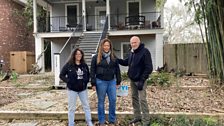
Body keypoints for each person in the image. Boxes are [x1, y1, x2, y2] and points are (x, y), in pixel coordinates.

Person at [118, 36, 153, 126]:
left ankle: (146, 121)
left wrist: (142, 80)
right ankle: (137, 117)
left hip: (141, 80)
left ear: (139, 42)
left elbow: (149, 68)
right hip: (132, 80)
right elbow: (127, 62)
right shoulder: (132, 52)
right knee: (134, 99)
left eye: (135, 42)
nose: (133, 44)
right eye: (132, 43)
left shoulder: (145, 52)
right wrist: (117, 60)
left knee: (142, 100)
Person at [90, 38, 121, 126]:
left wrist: (118, 81)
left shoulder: (113, 57)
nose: (106, 47)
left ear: (110, 46)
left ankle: (112, 119)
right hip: (100, 82)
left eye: (108, 45)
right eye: (105, 45)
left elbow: (117, 69)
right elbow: (92, 70)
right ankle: (102, 121)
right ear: (102, 46)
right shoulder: (96, 57)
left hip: (112, 81)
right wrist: (93, 83)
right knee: (101, 101)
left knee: (113, 100)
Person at [59, 48, 93, 126]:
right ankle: (71, 123)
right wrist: (69, 81)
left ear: (82, 55)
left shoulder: (84, 65)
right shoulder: (68, 65)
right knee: (71, 108)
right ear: (74, 55)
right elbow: (61, 75)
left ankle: (89, 121)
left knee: (86, 106)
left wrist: (86, 81)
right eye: (77, 54)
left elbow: (88, 74)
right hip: (72, 90)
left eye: (80, 54)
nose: (79, 55)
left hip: (83, 89)